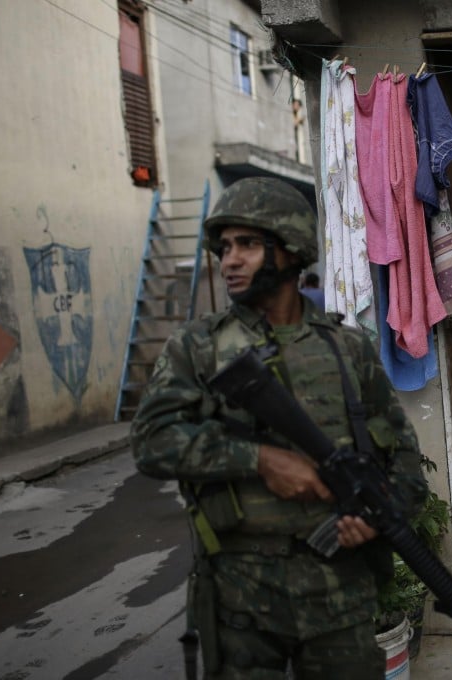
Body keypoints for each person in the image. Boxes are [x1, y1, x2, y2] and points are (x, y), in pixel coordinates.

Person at [130, 176, 428, 679]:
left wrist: (379, 516)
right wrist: (260, 460)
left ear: (290, 249)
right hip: (241, 597)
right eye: (225, 247)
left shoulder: (346, 349)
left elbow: (403, 459)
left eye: (247, 244)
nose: (229, 260)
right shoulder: (198, 347)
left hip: (340, 593)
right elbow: (151, 441)